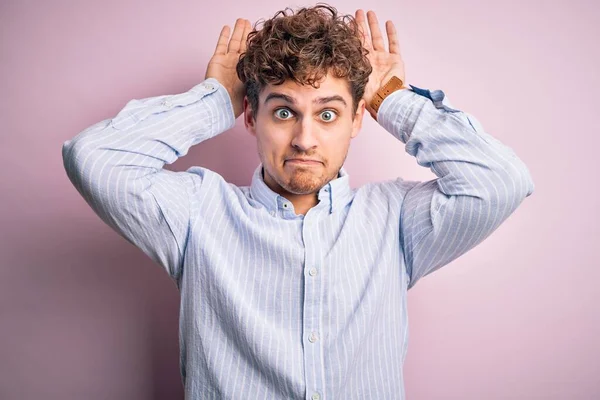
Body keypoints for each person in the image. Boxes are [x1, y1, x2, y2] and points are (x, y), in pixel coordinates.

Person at [62, 4, 534, 399]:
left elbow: (500, 181)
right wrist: (214, 99)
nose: (305, 139)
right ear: (251, 117)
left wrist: (391, 98)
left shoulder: (396, 221)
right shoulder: (195, 213)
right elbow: (95, 159)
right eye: (284, 111)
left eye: (328, 113)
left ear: (356, 121)